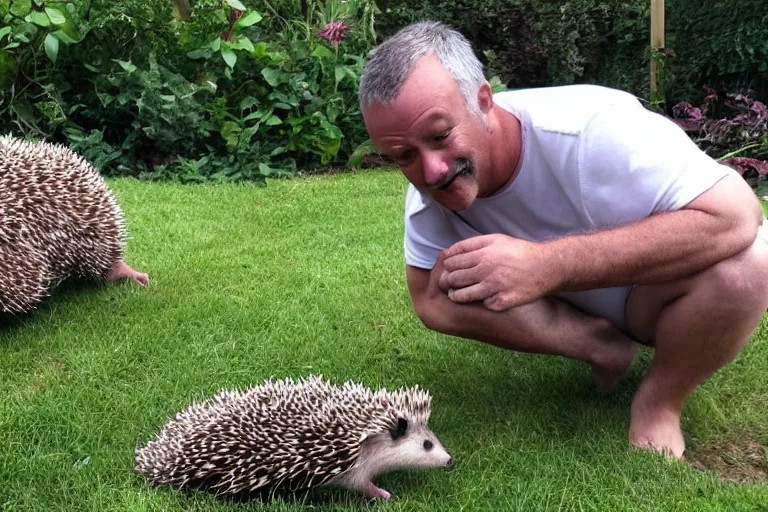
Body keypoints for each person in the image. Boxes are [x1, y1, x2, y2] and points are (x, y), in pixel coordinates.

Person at [357, 20, 768, 459]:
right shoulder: (427, 199)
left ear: (483, 101)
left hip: (661, 296)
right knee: (442, 284)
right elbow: (427, 299)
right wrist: (579, 332)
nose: (432, 170)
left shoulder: (594, 129)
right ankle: (601, 344)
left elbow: (737, 217)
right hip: (583, 310)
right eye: (404, 156)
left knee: (751, 264)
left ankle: (660, 399)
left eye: (440, 136)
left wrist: (546, 265)